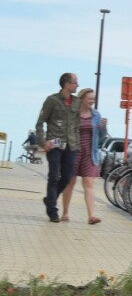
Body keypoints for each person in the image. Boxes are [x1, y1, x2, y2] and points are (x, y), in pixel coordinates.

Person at [33, 72, 81, 222]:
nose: (77, 85)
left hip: (71, 146)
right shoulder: (52, 100)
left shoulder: (76, 102)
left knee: (66, 178)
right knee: (53, 177)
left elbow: (76, 126)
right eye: (75, 83)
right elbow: (39, 123)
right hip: (54, 145)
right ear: (67, 84)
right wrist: (43, 142)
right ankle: (52, 210)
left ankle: (49, 199)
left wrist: (77, 144)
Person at [59, 87, 106, 224]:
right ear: (82, 99)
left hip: (90, 153)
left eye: (93, 98)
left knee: (89, 182)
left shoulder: (96, 115)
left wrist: (103, 128)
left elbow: (102, 137)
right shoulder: (72, 113)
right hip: (74, 151)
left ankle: (91, 215)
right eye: (89, 98)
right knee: (70, 182)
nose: (92, 101)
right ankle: (65, 213)